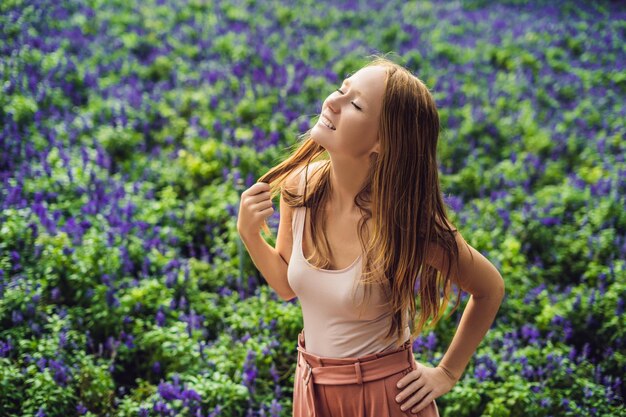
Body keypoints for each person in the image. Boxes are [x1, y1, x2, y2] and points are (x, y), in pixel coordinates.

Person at [237, 55, 505, 416]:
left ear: (383, 141)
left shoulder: (406, 222)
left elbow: (489, 289)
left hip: (384, 398)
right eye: (341, 89)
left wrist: (446, 372)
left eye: (355, 104)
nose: (332, 102)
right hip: (312, 391)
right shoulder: (299, 188)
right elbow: (286, 285)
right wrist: (251, 235)